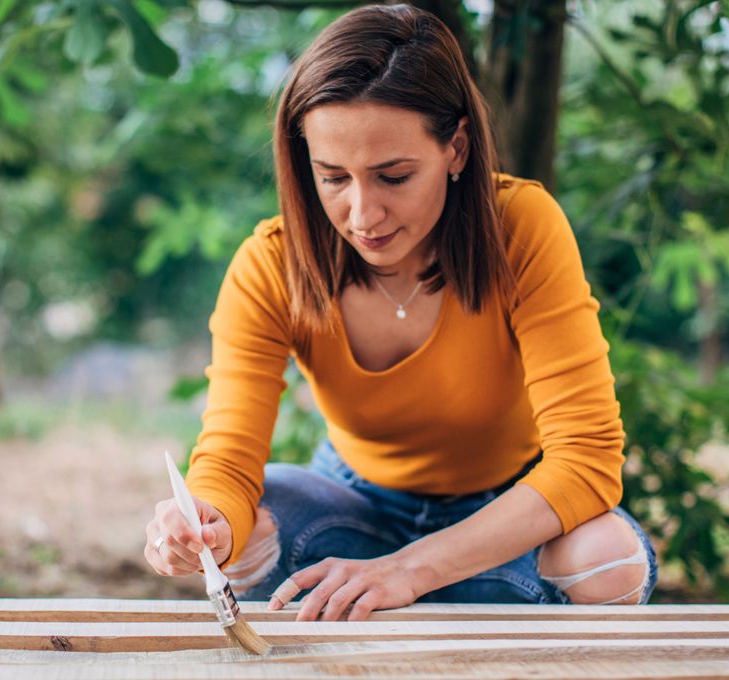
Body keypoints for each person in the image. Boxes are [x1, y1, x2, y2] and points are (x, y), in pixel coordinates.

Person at [143, 3, 657, 621]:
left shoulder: (521, 226)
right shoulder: (271, 264)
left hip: (505, 515)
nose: (363, 215)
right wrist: (207, 525)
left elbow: (587, 459)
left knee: (609, 560)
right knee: (247, 534)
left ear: (457, 147)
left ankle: (424, 591)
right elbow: (228, 460)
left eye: (393, 176)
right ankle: (393, 597)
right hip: (350, 511)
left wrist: (412, 569)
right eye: (333, 177)